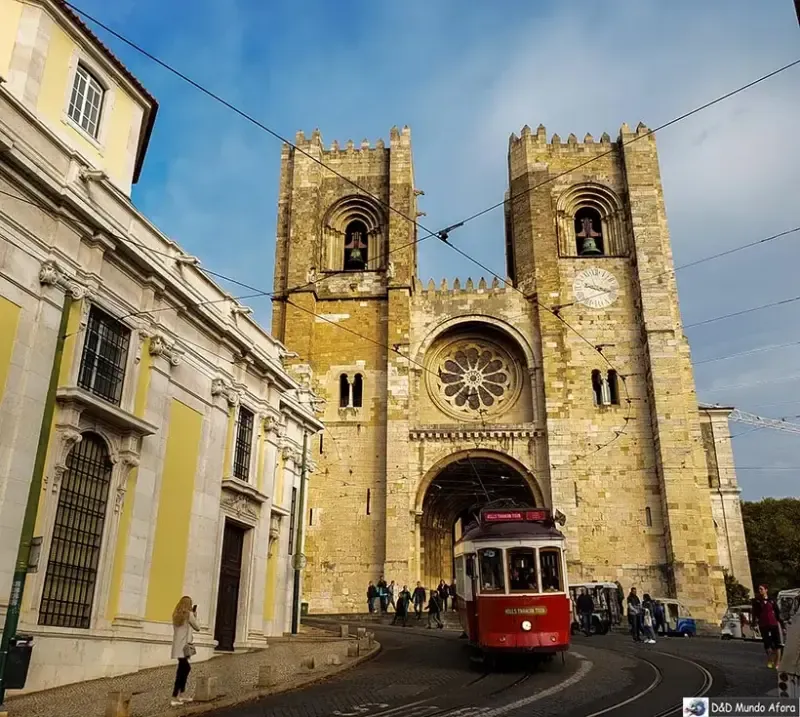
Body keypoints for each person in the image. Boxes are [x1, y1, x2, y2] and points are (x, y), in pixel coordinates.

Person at [171, 596, 200, 707]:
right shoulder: (189, 614)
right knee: (184, 670)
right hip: (184, 647)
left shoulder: (175, 615)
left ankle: (181, 694)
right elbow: (197, 627)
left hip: (177, 646)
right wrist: (195, 616)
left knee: (182, 669)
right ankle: (174, 696)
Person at [752, 584, 786, 669]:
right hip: (763, 624)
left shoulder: (772, 600)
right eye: (759, 589)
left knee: (778, 644)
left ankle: (777, 663)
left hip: (773, 623)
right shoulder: (757, 601)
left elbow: (777, 613)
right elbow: (755, 613)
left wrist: (782, 626)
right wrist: (754, 623)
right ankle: (770, 659)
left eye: (761, 589)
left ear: (766, 590)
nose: (760, 591)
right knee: (767, 644)